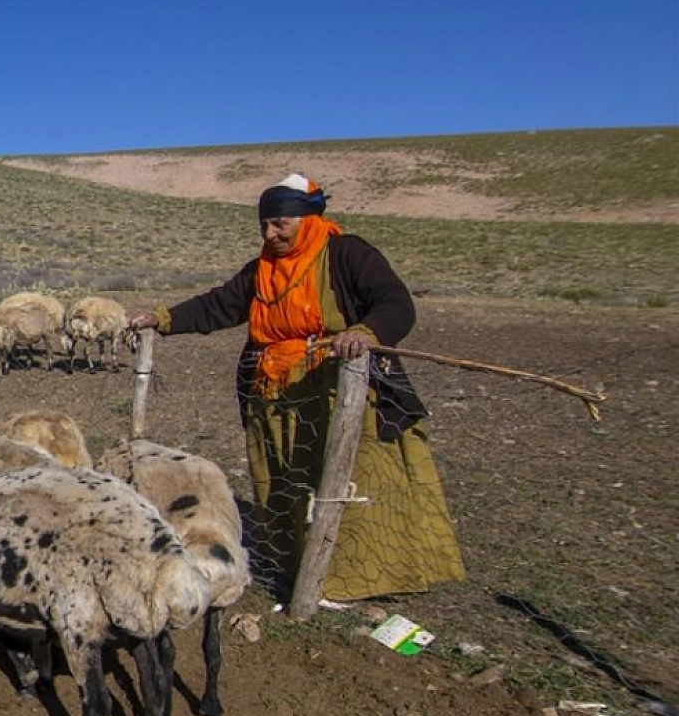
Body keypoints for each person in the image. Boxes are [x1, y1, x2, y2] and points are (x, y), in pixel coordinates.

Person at [129, 174, 465, 602]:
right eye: (264, 226)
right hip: (275, 394)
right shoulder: (263, 269)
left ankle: (357, 580)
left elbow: (396, 302)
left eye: (280, 224)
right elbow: (221, 304)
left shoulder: (346, 254)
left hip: (340, 391)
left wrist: (366, 331)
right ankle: (299, 570)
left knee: (346, 481)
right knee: (286, 481)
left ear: (307, 219)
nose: (271, 234)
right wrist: (162, 318)